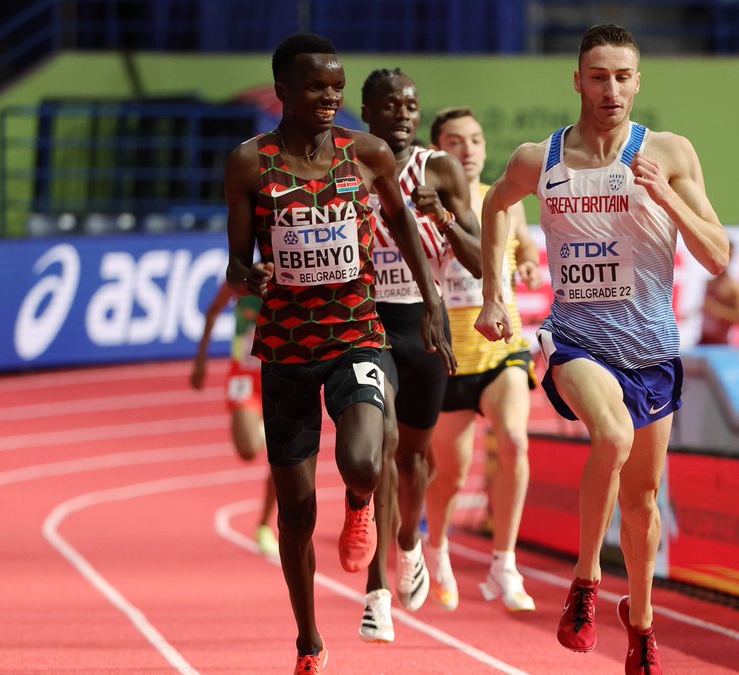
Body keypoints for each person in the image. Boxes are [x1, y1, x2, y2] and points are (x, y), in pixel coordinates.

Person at [474, 24, 728, 675]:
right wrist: (496, 293)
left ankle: (640, 624)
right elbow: (497, 206)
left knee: (643, 503)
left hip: (652, 352)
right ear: (577, 80)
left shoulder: (667, 153)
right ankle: (584, 587)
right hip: (577, 344)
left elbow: (718, 255)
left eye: (622, 76)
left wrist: (665, 194)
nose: (611, 89)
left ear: (639, 81)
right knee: (610, 436)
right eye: (598, 76)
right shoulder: (542, 158)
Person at [223, 34, 454, 675]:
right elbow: (237, 262)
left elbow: (404, 222)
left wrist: (432, 300)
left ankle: (359, 507)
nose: (329, 98)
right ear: (283, 93)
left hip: (355, 329)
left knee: (361, 462)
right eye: (314, 88)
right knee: (295, 513)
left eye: (335, 87)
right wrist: (251, 276)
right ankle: (308, 642)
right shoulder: (248, 164)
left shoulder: (367, 154)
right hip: (286, 347)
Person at [359, 68, 482, 637]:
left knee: (412, 460)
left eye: (410, 105)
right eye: (389, 106)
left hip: (426, 323)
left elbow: (482, 263)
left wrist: (447, 218)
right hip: (366, 320)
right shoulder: (350, 167)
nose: (403, 114)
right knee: (378, 446)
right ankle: (375, 591)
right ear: (368, 114)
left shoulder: (441, 170)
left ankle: (409, 542)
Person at [424, 107, 542, 613]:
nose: (468, 149)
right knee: (450, 474)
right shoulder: (421, 205)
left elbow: (525, 244)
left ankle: (504, 565)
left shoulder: (505, 198)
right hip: (449, 359)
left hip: (502, 347)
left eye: (474, 139)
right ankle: (438, 549)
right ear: (437, 153)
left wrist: (533, 262)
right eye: (455, 141)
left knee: (514, 440)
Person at [189, 284, 278, 557]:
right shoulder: (239, 281)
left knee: (282, 457)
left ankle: (264, 525)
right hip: (245, 376)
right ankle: (268, 432)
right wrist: (201, 360)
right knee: (248, 450)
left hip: (279, 375)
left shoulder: (290, 278)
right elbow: (213, 310)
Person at [697, 241, 739, 345]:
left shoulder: (733, 287)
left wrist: (716, 309)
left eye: (727, 255)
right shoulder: (710, 283)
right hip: (703, 339)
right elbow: (707, 309)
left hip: (719, 343)